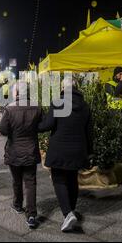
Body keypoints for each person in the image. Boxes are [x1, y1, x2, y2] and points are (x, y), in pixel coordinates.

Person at [39, 81, 92, 232]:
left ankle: (68, 213)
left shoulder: (58, 103)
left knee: (58, 180)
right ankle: (71, 211)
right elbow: (89, 132)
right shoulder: (85, 106)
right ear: (76, 88)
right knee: (72, 179)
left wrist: (33, 126)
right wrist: (89, 152)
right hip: (78, 149)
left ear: (63, 88)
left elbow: (47, 125)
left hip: (59, 149)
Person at [0, 84, 43, 229]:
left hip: (14, 151)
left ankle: (17, 205)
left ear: (16, 92)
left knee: (16, 180)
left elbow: (3, 130)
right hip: (30, 150)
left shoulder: (10, 109)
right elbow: (42, 126)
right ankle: (31, 215)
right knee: (30, 182)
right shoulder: (37, 107)